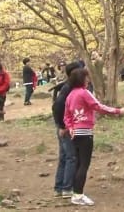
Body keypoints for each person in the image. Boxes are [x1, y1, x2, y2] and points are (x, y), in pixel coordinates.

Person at [65, 68, 124, 206]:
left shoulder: (70, 95)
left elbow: (67, 116)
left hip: (75, 134)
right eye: (86, 77)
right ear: (82, 79)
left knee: (78, 164)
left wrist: (71, 129)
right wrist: (118, 111)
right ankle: (78, 195)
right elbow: (99, 106)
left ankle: (75, 193)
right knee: (84, 165)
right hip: (85, 133)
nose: (88, 80)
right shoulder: (84, 93)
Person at [52, 62, 83, 199]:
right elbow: (57, 106)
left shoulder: (69, 86)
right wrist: (63, 126)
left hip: (64, 126)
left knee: (65, 156)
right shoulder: (68, 88)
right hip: (65, 127)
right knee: (71, 157)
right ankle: (66, 188)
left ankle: (59, 187)